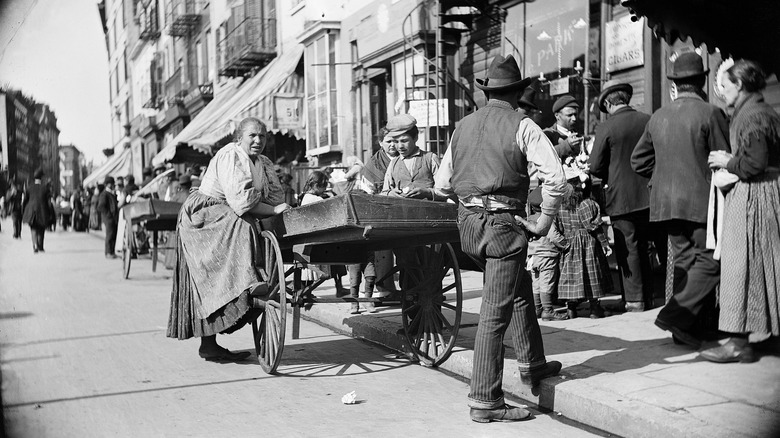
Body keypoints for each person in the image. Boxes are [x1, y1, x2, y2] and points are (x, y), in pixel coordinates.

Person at [432, 55, 566, 422]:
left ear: (487, 92)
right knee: (494, 313)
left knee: (517, 287)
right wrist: (543, 221)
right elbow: (556, 181)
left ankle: (533, 365)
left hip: (469, 226)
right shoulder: (522, 125)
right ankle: (485, 401)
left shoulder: (462, 127)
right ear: (518, 92)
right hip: (503, 226)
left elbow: (442, 184)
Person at [166, 117, 290, 362]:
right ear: (239, 138)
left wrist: (281, 209)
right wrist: (274, 211)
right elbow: (241, 202)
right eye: (252, 136)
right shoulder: (229, 156)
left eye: (262, 136)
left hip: (227, 210)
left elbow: (275, 196)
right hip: (204, 214)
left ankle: (249, 280)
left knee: (254, 225)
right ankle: (248, 280)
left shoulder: (263, 163)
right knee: (242, 226)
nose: (258, 141)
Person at [631, 51, 730, 349]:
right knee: (711, 263)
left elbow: (638, 161)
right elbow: (722, 160)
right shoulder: (711, 113)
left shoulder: (659, 115)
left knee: (687, 263)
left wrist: (661, 177)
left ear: (677, 83)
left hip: (665, 204)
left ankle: (686, 329)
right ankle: (675, 317)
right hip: (701, 202)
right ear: (701, 81)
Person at [701, 60, 780, 363]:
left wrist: (726, 161)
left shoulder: (754, 116)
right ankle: (769, 335)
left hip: (756, 197)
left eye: (726, 85)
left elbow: (755, 163)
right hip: (766, 193)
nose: (722, 92)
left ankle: (737, 342)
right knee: (767, 267)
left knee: (740, 267)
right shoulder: (760, 111)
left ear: (742, 85)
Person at [588, 80, 653, 312]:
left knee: (628, 247)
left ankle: (634, 300)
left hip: (620, 197)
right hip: (648, 194)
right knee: (645, 246)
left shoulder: (606, 128)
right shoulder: (647, 120)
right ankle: (649, 295)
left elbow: (595, 166)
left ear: (607, 103)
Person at [556, 174, 613, 318]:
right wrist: (604, 243)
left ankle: (571, 309)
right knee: (591, 272)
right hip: (587, 243)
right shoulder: (586, 204)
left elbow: (557, 226)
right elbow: (594, 227)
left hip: (568, 243)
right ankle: (594, 309)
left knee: (571, 275)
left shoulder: (561, 206)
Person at [380, 114, 441, 199]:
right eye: (396, 142)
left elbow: (445, 192)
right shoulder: (393, 163)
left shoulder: (431, 159)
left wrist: (427, 192)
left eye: (404, 141)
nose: (400, 146)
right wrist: (391, 194)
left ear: (415, 138)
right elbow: (384, 193)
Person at [543, 95, 584, 160]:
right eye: (569, 115)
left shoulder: (577, 134)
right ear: (557, 115)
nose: (574, 119)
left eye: (575, 115)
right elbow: (544, 156)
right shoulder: (548, 134)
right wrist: (567, 145)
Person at [21, 169, 52, 253]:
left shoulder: (29, 187)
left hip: (31, 211)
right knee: (41, 228)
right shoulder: (45, 188)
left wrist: (24, 211)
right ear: (41, 178)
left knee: (33, 228)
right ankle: (40, 246)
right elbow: (49, 203)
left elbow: (25, 201)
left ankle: (34, 245)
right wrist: (50, 213)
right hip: (42, 211)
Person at [97, 176, 119, 259]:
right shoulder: (104, 194)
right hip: (109, 218)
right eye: (110, 183)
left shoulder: (111, 193)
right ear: (107, 184)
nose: (112, 185)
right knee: (109, 235)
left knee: (113, 234)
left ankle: (112, 252)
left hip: (113, 217)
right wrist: (108, 215)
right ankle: (108, 252)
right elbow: (101, 206)